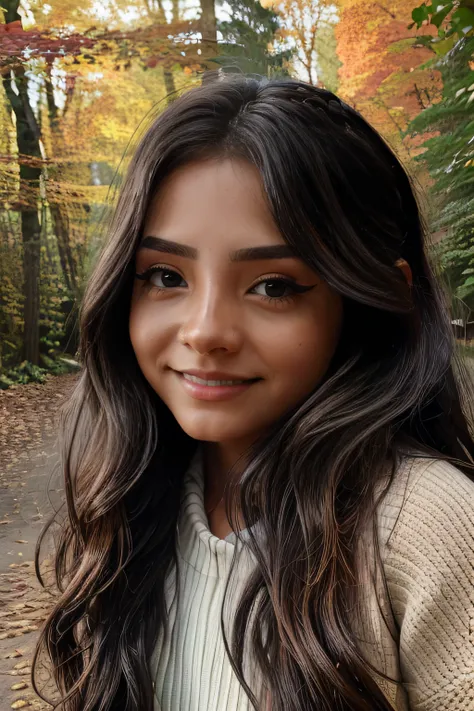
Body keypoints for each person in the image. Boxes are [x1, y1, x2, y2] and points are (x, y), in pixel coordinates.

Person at [33, 73, 474, 711]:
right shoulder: (127, 505)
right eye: (164, 275)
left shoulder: (428, 527)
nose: (206, 331)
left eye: (273, 285)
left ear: (373, 298)